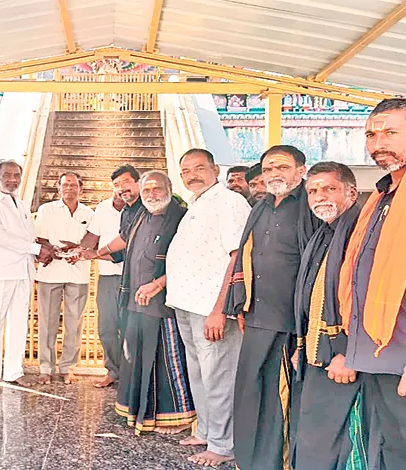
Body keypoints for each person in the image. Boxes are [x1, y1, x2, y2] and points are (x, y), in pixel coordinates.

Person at [339, 98, 406, 469]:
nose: (378, 144)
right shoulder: (382, 195)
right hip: (379, 358)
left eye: (391, 133)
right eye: (371, 135)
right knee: (393, 454)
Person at [224, 145, 320, 470]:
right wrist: (239, 303)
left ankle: (276, 463)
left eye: (282, 167)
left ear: (301, 170)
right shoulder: (261, 206)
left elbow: (318, 264)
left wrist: (307, 323)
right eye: (268, 169)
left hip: (289, 321)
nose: (274, 174)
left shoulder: (309, 205)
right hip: (255, 317)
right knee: (251, 392)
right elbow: (244, 255)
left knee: (280, 400)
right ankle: (249, 461)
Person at [78, 171, 195, 435]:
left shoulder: (181, 216)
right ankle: (137, 411)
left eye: (157, 188)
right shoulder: (140, 214)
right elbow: (124, 239)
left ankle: (177, 417)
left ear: (169, 187)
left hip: (164, 303)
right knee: (135, 358)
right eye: (147, 190)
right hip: (135, 300)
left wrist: (159, 284)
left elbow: (188, 259)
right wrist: (97, 253)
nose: (152, 194)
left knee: (166, 361)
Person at [166, 149, 250, 467]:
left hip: (210, 307)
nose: (192, 175)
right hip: (187, 303)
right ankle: (205, 431)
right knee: (200, 374)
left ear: (215, 169)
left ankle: (223, 445)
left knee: (219, 377)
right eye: (186, 171)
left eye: (199, 168)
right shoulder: (198, 203)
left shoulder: (229, 202)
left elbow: (236, 257)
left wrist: (220, 309)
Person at [291, 162, 365, 470]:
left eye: (329, 188)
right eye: (313, 191)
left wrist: (348, 352)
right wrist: (302, 346)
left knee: (339, 441)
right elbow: (311, 296)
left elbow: (364, 297)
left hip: (343, 358)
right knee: (313, 433)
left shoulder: (361, 232)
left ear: (351, 193)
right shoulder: (324, 233)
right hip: (317, 352)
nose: (320, 196)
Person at [0, 160, 54, 395]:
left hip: (22, 271)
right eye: (7, 175)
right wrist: (35, 249)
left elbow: (26, 237)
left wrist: (41, 249)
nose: (12, 179)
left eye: (16, 175)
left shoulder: (21, 203)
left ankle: (13, 371)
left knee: (19, 323)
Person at [35, 173, 94, 385]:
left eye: (73, 185)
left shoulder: (89, 213)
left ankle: (68, 367)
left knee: (74, 322)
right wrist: (53, 250)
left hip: (78, 272)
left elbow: (92, 240)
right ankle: (45, 368)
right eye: (65, 184)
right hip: (50, 271)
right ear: (58, 188)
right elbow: (39, 237)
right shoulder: (46, 210)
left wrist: (79, 249)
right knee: (47, 321)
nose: (69, 188)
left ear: (81, 189)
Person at [80, 190, 125, 388]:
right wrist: (80, 250)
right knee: (107, 328)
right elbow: (92, 236)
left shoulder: (141, 208)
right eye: (117, 184)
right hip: (107, 275)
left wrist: (96, 253)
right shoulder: (103, 208)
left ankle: (132, 374)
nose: (121, 189)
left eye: (126, 183)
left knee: (131, 330)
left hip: (134, 277)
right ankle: (113, 371)